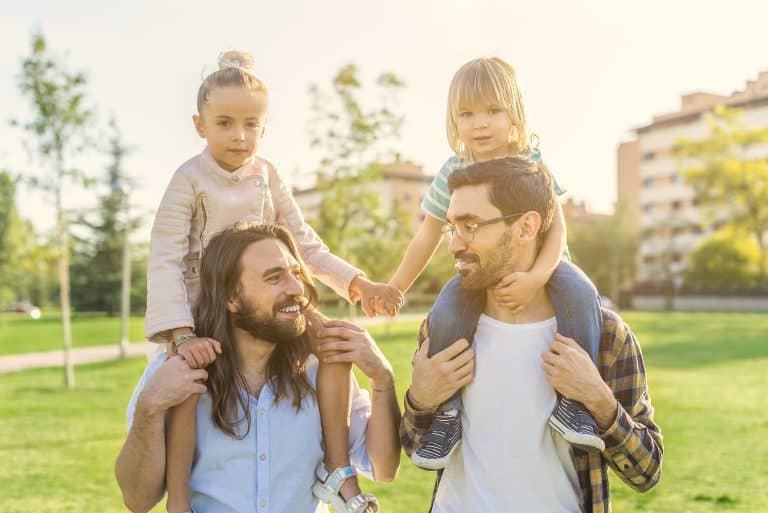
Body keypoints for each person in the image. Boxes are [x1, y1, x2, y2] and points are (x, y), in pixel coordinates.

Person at [145, 50, 403, 513]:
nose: (240, 136)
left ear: (265, 127)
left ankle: (339, 473)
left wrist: (358, 284)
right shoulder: (188, 180)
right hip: (205, 308)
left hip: (267, 295)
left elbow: (304, 243)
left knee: (333, 340)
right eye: (224, 123)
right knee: (187, 382)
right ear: (199, 124)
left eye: (252, 125)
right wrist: (181, 334)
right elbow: (163, 256)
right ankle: (179, 501)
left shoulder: (268, 175)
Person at [399, 156, 663, 513]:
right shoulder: (445, 328)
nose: (453, 245)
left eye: (471, 225)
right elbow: (414, 446)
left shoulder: (606, 337)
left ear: (526, 228)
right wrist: (420, 399)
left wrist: (598, 399)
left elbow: (646, 472)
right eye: (451, 227)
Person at [385, 56, 604, 469]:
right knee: (446, 310)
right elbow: (428, 234)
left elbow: (556, 231)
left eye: (492, 111)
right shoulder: (455, 170)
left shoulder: (533, 165)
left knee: (583, 295)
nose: (479, 124)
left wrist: (535, 277)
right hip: (478, 271)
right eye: (466, 114)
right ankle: (447, 413)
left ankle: (576, 405)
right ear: (453, 121)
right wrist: (396, 286)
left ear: (514, 115)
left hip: (546, 269)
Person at [117, 223, 401, 513]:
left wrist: (382, 378)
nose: (296, 288)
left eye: (296, 273)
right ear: (232, 298)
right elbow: (137, 500)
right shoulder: (174, 376)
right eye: (274, 278)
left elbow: (384, 467)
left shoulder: (324, 369)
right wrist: (150, 406)